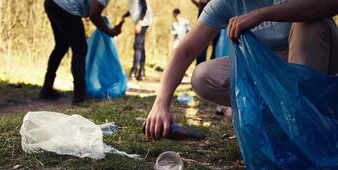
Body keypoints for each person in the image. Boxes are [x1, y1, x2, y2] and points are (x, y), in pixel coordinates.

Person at [145, 0, 338, 140]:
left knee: (310, 25)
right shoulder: (225, 3)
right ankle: (275, 120)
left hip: (317, 58)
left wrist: (263, 13)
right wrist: (160, 105)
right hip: (270, 65)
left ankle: (305, 124)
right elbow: (185, 51)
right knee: (203, 76)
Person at [40, 0, 123, 104]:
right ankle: (79, 96)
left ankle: (46, 89)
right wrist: (109, 31)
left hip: (51, 3)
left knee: (61, 46)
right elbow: (94, 15)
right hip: (67, 7)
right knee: (80, 49)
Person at [125, 0, 153, 81]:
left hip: (143, 22)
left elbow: (144, 7)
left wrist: (140, 23)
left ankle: (134, 71)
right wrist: (125, 15)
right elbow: (134, 8)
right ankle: (141, 72)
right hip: (140, 21)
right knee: (140, 47)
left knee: (137, 46)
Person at [190, 0, 220, 65]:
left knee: (216, 48)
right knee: (202, 47)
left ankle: (209, 72)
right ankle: (200, 71)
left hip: (219, 15)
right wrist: (200, 3)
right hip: (206, 15)